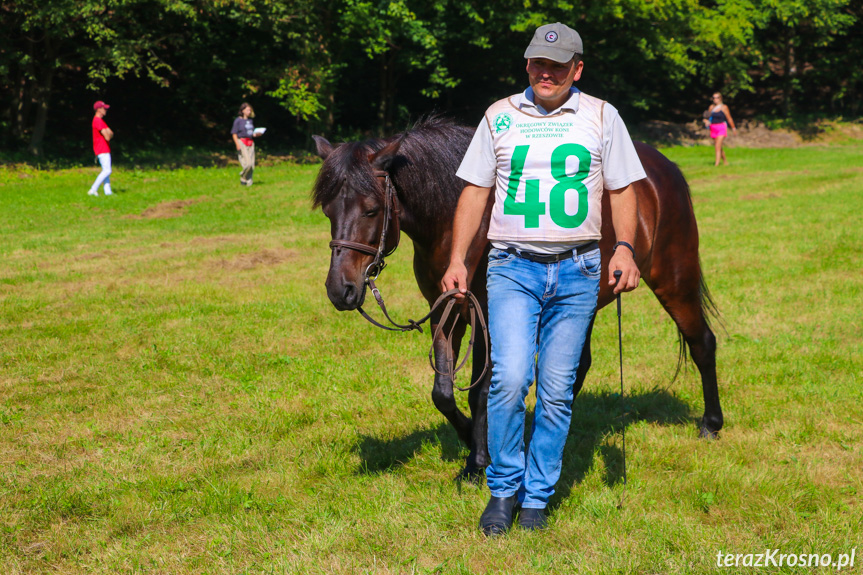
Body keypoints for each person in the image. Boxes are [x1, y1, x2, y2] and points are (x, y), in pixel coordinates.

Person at [441, 22, 645, 536]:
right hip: (513, 267)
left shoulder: (602, 115)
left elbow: (622, 188)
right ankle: (503, 489)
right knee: (509, 379)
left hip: (579, 270)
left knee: (557, 390)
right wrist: (458, 259)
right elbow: (474, 192)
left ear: (577, 69)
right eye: (537, 63)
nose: (545, 72)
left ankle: (537, 495)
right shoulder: (499, 116)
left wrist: (624, 247)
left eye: (557, 65)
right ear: (527, 65)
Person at [231, 103, 260, 186]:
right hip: (242, 142)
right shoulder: (238, 121)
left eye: (250, 110)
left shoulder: (250, 121)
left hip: (251, 142)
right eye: (247, 110)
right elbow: (234, 133)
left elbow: (251, 133)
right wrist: (237, 144)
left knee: (252, 164)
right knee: (248, 163)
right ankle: (243, 176)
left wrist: (256, 134)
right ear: (242, 110)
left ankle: (248, 181)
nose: (249, 111)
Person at [88, 101, 114, 196]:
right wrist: (108, 133)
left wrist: (108, 133)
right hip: (102, 149)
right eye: (104, 108)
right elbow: (108, 136)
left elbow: (111, 133)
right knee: (107, 170)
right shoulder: (97, 121)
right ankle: (93, 189)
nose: (106, 110)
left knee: (106, 170)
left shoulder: (100, 121)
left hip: (104, 148)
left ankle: (108, 192)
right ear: (99, 109)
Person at [704, 92, 737, 166]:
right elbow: (708, 118)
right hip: (713, 128)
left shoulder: (724, 107)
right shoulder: (711, 107)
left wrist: (733, 128)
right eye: (714, 97)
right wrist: (706, 121)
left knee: (717, 146)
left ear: (720, 98)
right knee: (718, 146)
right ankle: (725, 161)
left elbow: (729, 118)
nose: (715, 99)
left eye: (717, 97)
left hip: (721, 127)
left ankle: (717, 164)